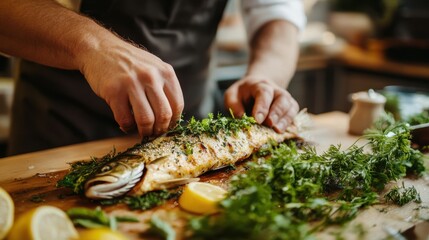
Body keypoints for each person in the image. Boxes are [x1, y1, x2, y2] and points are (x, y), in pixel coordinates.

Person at [0, 0, 306, 155]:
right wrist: (92, 45)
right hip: (59, 127)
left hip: (189, 131)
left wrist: (266, 76)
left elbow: (275, 11)